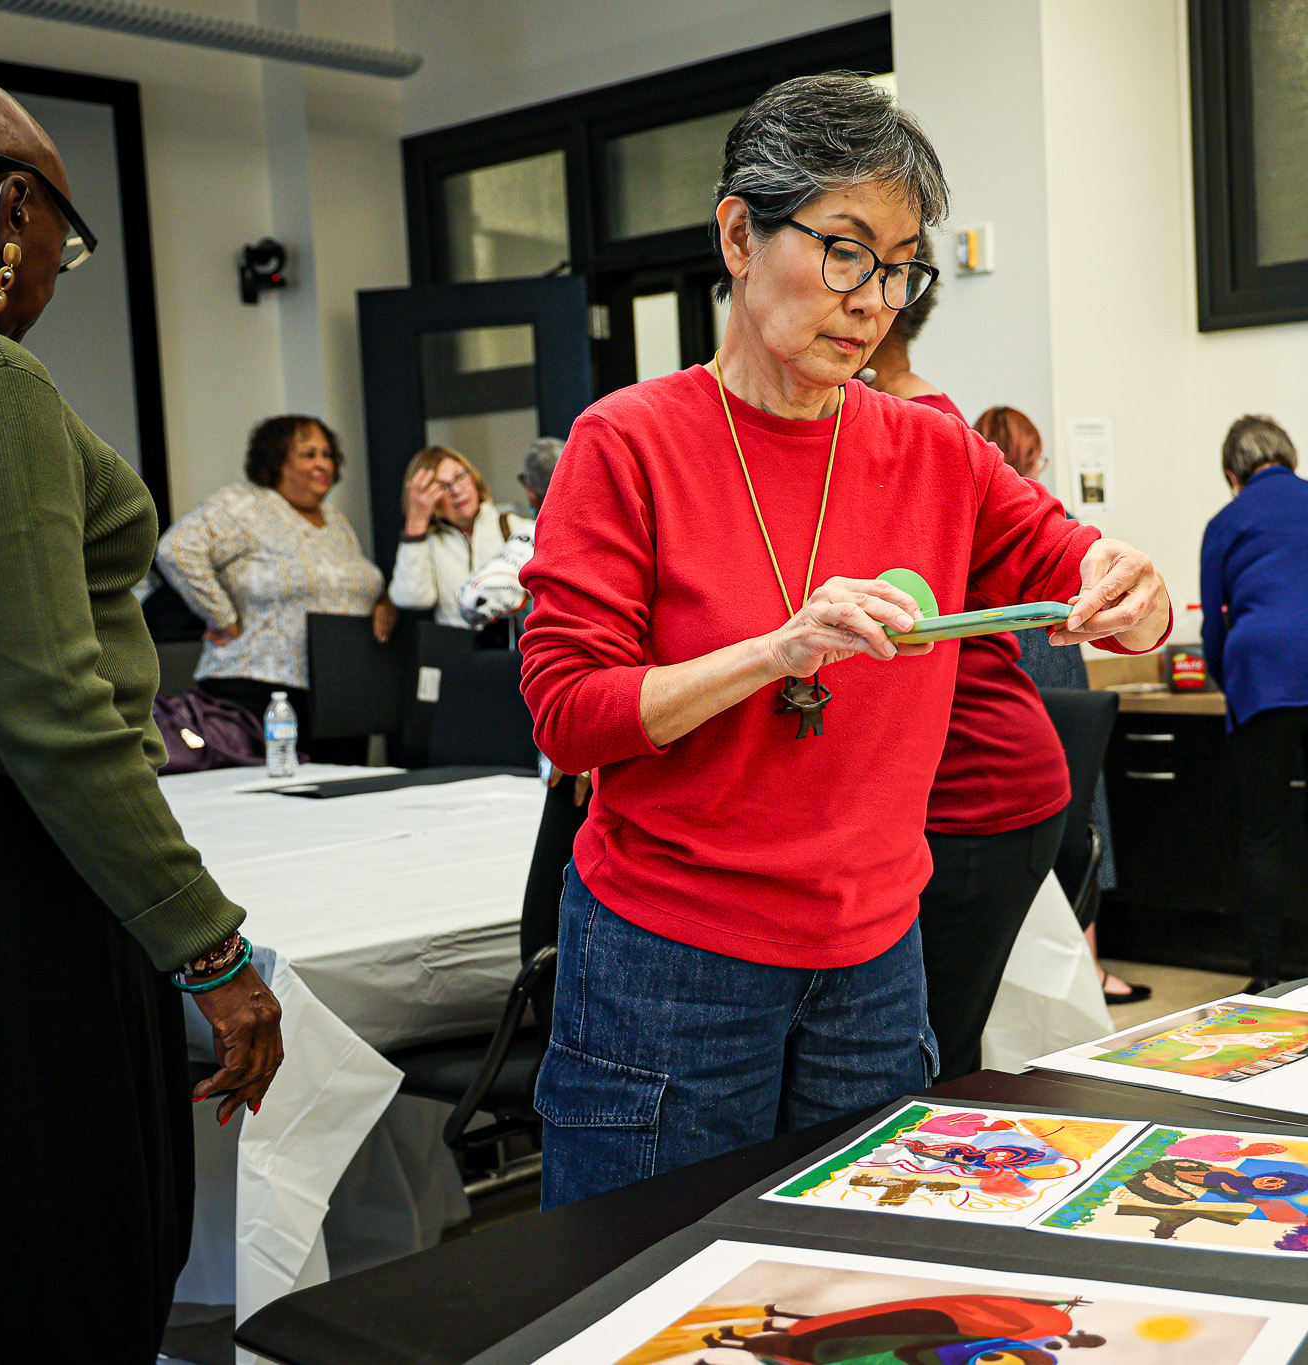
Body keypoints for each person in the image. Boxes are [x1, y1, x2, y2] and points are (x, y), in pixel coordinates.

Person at [519, 73, 1169, 1208]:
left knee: (855, 1271)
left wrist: (1133, 590)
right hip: (673, 963)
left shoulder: (934, 451)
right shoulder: (627, 443)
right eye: (844, 252)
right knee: (649, 1266)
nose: (874, 300)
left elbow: (1091, 579)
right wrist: (774, 653)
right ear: (739, 235)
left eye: (900, 266)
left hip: (873, 958)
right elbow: (569, 713)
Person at [0, 72, 283, 1362]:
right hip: (21, 879)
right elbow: (47, 703)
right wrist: (209, 951)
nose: (58, 267)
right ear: (14, 207)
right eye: (65, 235)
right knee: (74, 1263)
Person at [861, 254, 1073, 1082]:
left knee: (930, 1055)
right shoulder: (908, 424)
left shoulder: (922, 437)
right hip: (971, 780)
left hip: (975, 785)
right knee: (934, 1045)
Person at [979, 404, 1143, 1006]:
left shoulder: (983, 529)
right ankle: (1090, 967)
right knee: (1082, 821)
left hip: (1006, 700)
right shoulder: (1058, 529)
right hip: (1064, 693)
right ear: (1035, 458)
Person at [1200, 416, 1308, 990]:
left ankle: (1267, 979)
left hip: (1266, 673)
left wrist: (1233, 686)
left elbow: (1214, 626)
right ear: (1290, 458)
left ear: (1233, 474)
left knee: (1263, 833)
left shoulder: (1227, 521)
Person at [155, 413, 395, 752]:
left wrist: (383, 602)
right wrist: (222, 617)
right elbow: (177, 549)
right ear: (276, 461)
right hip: (259, 691)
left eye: (327, 455)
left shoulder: (336, 521)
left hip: (337, 693)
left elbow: (351, 584)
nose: (323, 464)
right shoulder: (244, 504)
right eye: (309, 454)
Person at [388, 444, 530, 627]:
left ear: (473, 478)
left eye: (460, 476)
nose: (456, 490)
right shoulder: (428, 543)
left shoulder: (516, 527)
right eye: (442, 486)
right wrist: (416, 521)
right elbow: (411, 598)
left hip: (515, 642)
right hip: (455, 642)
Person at [456, 435, 563, 628]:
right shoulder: (611, 527)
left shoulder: (536, 536)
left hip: (558, 645)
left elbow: (470, 600)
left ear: (530, 493)